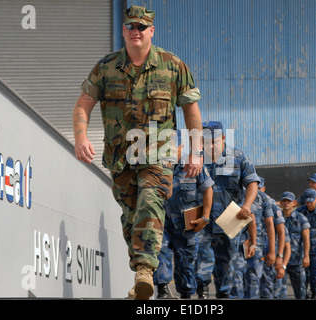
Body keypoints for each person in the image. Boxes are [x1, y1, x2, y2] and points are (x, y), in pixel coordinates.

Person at [72, 5, 204, 300]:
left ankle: (145, 270)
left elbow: (191, 109)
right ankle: (139, 280)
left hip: (159, 156)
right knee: (133, 218)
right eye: (130, 26)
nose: (135, 31)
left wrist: (196, 150)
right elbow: (83, 104)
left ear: (151, 31)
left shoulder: (172, 65)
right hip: (120, 159)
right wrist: (80, 137)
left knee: (149, 199)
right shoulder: (106, 67)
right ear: (123, 30)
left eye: (141, 27)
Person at [194, 121, 259, 299]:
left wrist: (246, 205)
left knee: (227, 261)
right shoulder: (196, 159)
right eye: (206, 142)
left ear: (223, 138)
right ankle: (203, 292)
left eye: (214, 141)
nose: (210, 145)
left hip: (230, 220)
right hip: (203, 220)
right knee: (201, 257)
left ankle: (223, 295)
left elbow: (252, 183)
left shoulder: (238, 158)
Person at [153, 130, 214, 299]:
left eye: (173, 148)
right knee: (160, 253)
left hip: (187, 227)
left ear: (180, 146)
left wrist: (205, 217)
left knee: (185, 266)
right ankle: (162, 291)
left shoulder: (193, 165)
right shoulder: (157, 167)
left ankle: (186, 294)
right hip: (163, 224)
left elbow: (208, 189)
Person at [244, 179, 275, 299]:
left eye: (258, 186)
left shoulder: (263, 198)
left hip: (256, 245)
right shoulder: (238, 194)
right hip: (237, 242)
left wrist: (272, 251)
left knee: (253, 279)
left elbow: (270, 224)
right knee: (236, 278)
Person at [279, 191, 310, 299]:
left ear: (294, 203)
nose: (286, 203)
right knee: (280, 291)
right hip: (281, 261)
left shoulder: (301, 219)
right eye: (284, 201)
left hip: (297, 260)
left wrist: (306, 256)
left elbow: (306, 238)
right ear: (281, 203)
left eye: (289, 201)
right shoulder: (276, 218)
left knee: (300, 291)